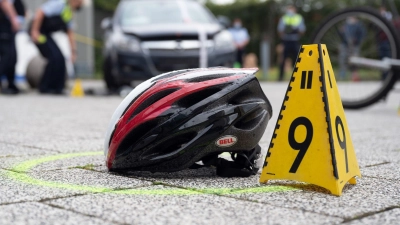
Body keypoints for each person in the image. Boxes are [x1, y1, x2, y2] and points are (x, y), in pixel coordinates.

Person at [30, 0, 82, 94]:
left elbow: (70, 33)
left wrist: (73, 52)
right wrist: (34, 31)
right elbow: (40, 12)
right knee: (54, 57)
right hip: (39, 32)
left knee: (60, 58)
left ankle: (58, 88)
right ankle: (44, 87)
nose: (81, 3)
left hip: (46, 34)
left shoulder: (68, 12)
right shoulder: (59, 4)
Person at [0, 0, 23, 94]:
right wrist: (14, 19)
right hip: (4, 25)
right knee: (8, 56)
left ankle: (11, 83)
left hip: (8, 26)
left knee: (12, 57)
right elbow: (4, 2)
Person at [277, 5, 305, 81]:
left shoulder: (299, 18)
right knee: (283, 59)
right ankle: (280, 77)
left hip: (295, 40)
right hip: (286, 40)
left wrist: (294, 29)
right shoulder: (284, 18)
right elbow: (280, 30)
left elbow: (302, 31)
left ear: (295, 10)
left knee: (298, 60)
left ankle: (299, 77)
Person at [338, 16, 365, 81]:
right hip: (345, 44)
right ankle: (342, 75)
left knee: (355, 60)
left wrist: (357, 40)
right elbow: (340, 34)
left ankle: (354, 76)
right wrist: (341, 31)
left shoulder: (359, 25)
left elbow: (362, 34)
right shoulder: (345, 25)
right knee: (343, 59)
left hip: (355, 45)